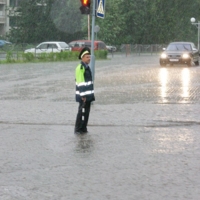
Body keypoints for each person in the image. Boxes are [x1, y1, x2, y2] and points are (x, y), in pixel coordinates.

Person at [74, 47, 95, 134]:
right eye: (87, 57)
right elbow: (80, 82)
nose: (89, 58)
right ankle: (79, 129)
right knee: (82, 113)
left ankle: (83, 128)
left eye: (89, 57)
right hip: (83, 97)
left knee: (86, 113)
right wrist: (83, 96)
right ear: (82, 58)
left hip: (88, 96)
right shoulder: (81, 68)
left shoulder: (86, 67)